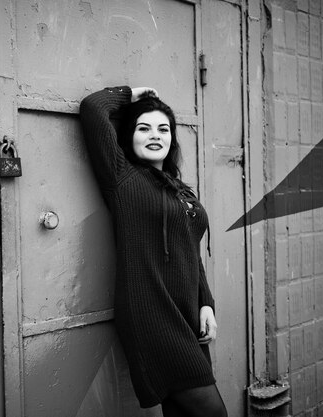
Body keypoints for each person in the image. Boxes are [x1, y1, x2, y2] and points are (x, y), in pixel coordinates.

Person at [79, 86, 228, 417]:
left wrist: (206, 303)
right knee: (213, 413)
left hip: (185, 312)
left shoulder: (177, 189)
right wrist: (131, 93)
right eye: (143, 128)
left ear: (172, 139)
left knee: (181, 413)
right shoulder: (123, 178)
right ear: (129, 136)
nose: (155, 135)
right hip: (150, 313)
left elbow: (190, 251)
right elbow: (92, 108)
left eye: (164, 129)